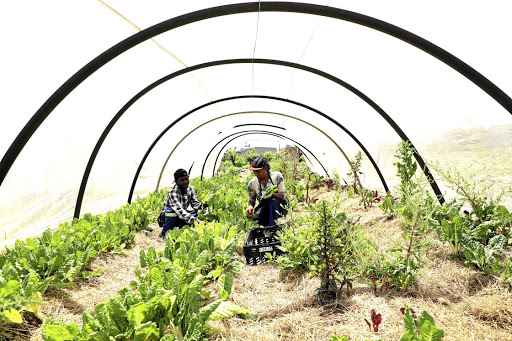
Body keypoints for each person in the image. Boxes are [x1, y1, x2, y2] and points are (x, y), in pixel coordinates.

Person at [158, 168, 206, 239]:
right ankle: (164, 233)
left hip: (181, 215)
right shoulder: (173, 192)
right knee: (171, 212)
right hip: (168, 217)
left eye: (186, 179)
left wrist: (202, 207)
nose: (185, 182)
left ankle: (181, 229)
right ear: (176, 182)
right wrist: (196, 220)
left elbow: (194, 203)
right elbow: (179, 210)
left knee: (195, 212)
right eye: (182, 180)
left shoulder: (190, 189)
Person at [246, 156, 287, 226]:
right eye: (254, 172)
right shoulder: (252, 183)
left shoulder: (276, 176)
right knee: (256, 219)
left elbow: (283, 195)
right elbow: (252, 200)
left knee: (272, 203)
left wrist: (271, 194)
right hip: (264, 207)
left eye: (258, 172)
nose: (256, 174)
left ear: (265, 168)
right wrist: (250, 207)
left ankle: (272, 228)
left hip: (279, 207)